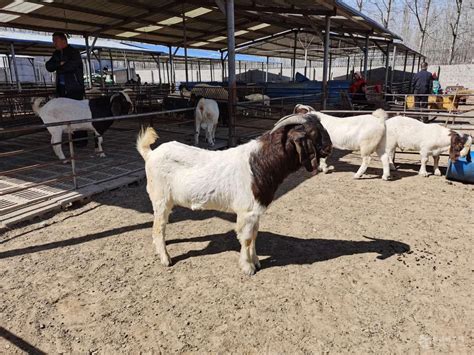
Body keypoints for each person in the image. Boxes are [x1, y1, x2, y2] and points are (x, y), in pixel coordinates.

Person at [45, 32, 87, 147]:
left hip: (74, 88)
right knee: (67, 115)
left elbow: (71, 66)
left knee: (78, 114)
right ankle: (71, 139)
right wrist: (60, 63)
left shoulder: (74, 52)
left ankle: (81, 140)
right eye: (53, 41)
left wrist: (58, 66)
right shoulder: (56, 54)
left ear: (63, 40)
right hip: (62, 89)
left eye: (55, 41)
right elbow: (48, 66)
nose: (54, 43)